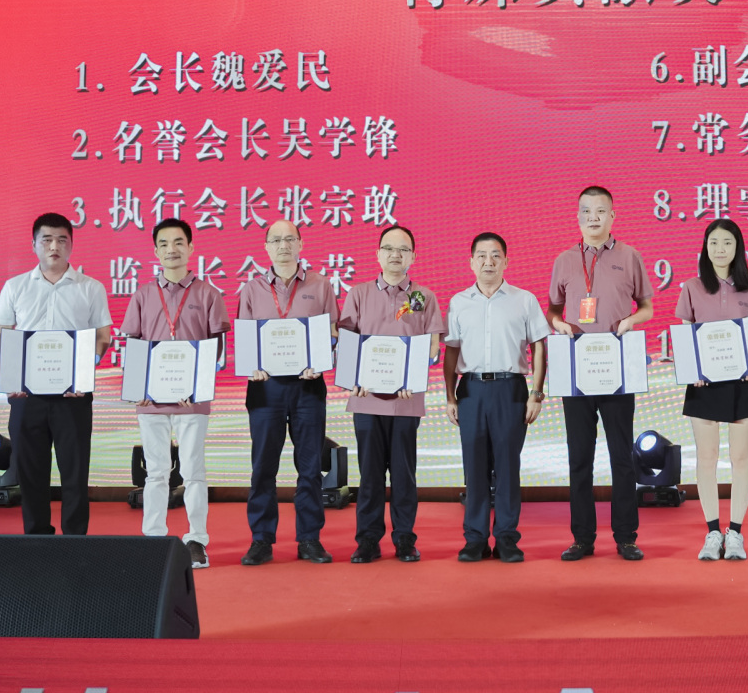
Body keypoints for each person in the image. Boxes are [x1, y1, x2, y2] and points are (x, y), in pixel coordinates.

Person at [547, 186, 654, 561]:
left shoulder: (630, 256)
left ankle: (626, 537)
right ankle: (582, 538)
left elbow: (647, 307)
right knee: (579, 458)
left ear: (612, 216)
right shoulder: (564, 260)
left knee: (621, 457)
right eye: (586, 210)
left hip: (616, 370)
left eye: (600, 210)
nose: (593, 217)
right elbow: (553, 310)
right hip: (577, 372)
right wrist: (559, 324)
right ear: (577, 216)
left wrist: (630, 321)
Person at [119, 217, 230, 569]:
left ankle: (197, 539)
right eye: (164, 244)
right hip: (151, 401)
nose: (172, 249)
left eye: (179, 242)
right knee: (156, 472)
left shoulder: (209, 294)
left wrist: (197, 386)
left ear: (191, 247)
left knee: (193, 471)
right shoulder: (142, 295)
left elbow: (218, 351)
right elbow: (133, 345)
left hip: (191, 401)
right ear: (155, 251)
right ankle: (154, 538)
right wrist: (137, 389)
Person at [0, 213, 112, 536]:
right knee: (30, 472)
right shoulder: (15, 286)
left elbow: (103, 337)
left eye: (62, 240)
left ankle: (74, 541)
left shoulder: (91, 288)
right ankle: (37, 539)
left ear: (71, 245)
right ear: (34, 244)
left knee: (75, 472)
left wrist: (83, 375)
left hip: (73, 396)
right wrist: (13, 378)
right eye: (46, 240)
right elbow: (1, 335)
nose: (54, 246)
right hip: (26, 396)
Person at [442, 232, 551, 563]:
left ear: (506, 261)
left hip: (510, 390)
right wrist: (449, 397)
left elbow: (539, 346)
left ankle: (506, 537)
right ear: (471, 262)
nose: (488, 262)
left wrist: (536, 394)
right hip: (471, 391)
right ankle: (475, 538)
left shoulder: (524, 300)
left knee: (507, 466)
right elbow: (451, 351)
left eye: (495, 256)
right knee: (474, 468)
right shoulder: (458, 302)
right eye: (482, 255)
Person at [236, 219, 339, 567]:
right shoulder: (251, 290)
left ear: (301, 244)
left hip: (308, 386)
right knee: (263, 467)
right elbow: (245, 340)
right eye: (276, 240)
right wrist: (252, 365)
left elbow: (332, 333)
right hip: (265, 388)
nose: (283, 245)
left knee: (309, 467)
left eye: (290, 239)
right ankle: (261, 540)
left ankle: (309, 539)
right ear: (266, 247)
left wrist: (320, 362)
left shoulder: (320, 285)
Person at [339, 225, 444, 563]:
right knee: (369, 475)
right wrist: (353, 379)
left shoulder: (423, 297)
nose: (395, 255)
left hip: (405, 400)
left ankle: (404, 539)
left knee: (403, 474)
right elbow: (347, 344)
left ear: (413, 256)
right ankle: (368, 540)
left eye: (403, 249)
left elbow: (432, 347)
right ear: (378, 254)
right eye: (388, 248)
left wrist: (414, 375)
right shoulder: (358, 294)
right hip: (366, 398)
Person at [674, 219, 748, 561]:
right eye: (713, 242)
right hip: (704, 384)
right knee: (707, 458)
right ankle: (713, 532)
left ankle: (736, 533)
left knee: (741, 458)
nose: (720, 249)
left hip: (742, 383)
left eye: (727, 242)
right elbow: (685, 333)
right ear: (705, 247)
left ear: (737, 247)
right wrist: (693, 371)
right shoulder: (692, 287)